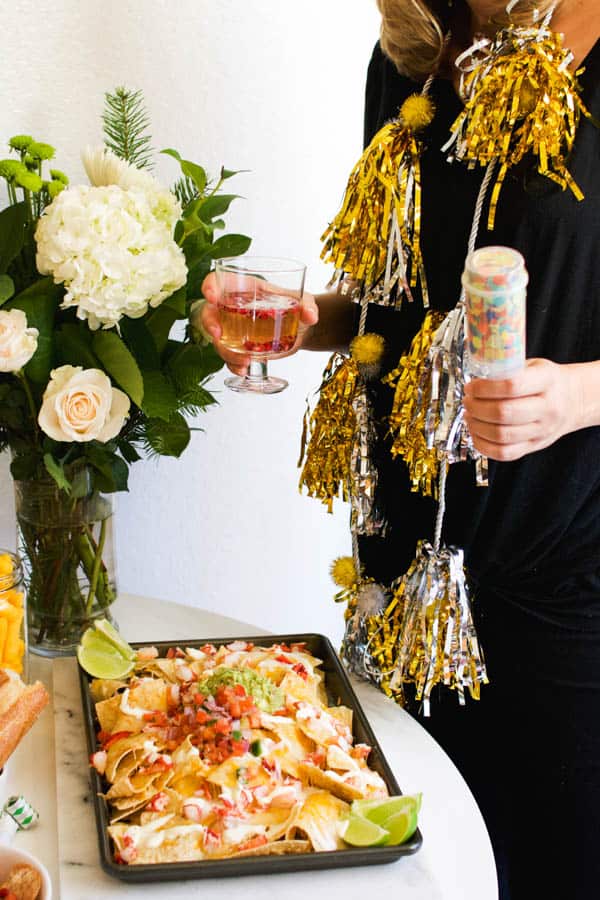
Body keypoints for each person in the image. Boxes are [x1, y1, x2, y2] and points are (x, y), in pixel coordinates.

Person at [199, 1, 600, 897]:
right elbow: (398, 302)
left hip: (565, 574)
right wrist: (304, 322)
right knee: (415, 869)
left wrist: (579, 394)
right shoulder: (411, 57)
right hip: (405, 567)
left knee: (559, 864)